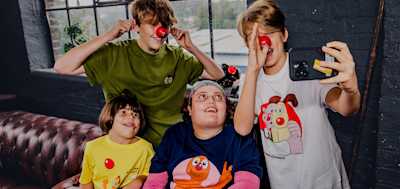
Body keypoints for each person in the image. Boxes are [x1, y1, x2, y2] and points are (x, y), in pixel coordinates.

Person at [54, 0, 224, 145]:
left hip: (173, 144)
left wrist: (191, 47)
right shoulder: (114, 54)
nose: (160, 31)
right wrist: (109, 35)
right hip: (129, 147)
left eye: (164, 24)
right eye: (152, 24)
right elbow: (62, 67)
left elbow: (217, 75)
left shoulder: (178, 57)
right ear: (136, 26)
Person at [234, 0, 361, 188]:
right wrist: (252, 71)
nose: (262, 42)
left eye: (268, 33)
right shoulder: (251, 80)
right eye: (252, 38)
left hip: (323, 179)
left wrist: (351, 90)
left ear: (284, 34)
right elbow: (242, 128)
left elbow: (346, 108)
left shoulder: (308, 68)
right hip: (283, 181)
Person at [143, 80, 262, 189]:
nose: (211, 101)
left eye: (218, 97)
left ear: (226, 109)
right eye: (202, 97)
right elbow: (154, 182)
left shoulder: (239, 140)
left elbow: (248, 184)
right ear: (189, 108)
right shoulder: (174, 134)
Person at [79, 93, 155, 189]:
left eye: (135, 115)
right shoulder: (93, 147)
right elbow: (86, 182)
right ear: (110, 118)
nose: (131, 117)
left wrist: (139, 179)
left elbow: (152, 174)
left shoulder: (145, 148)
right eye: (124, 112)